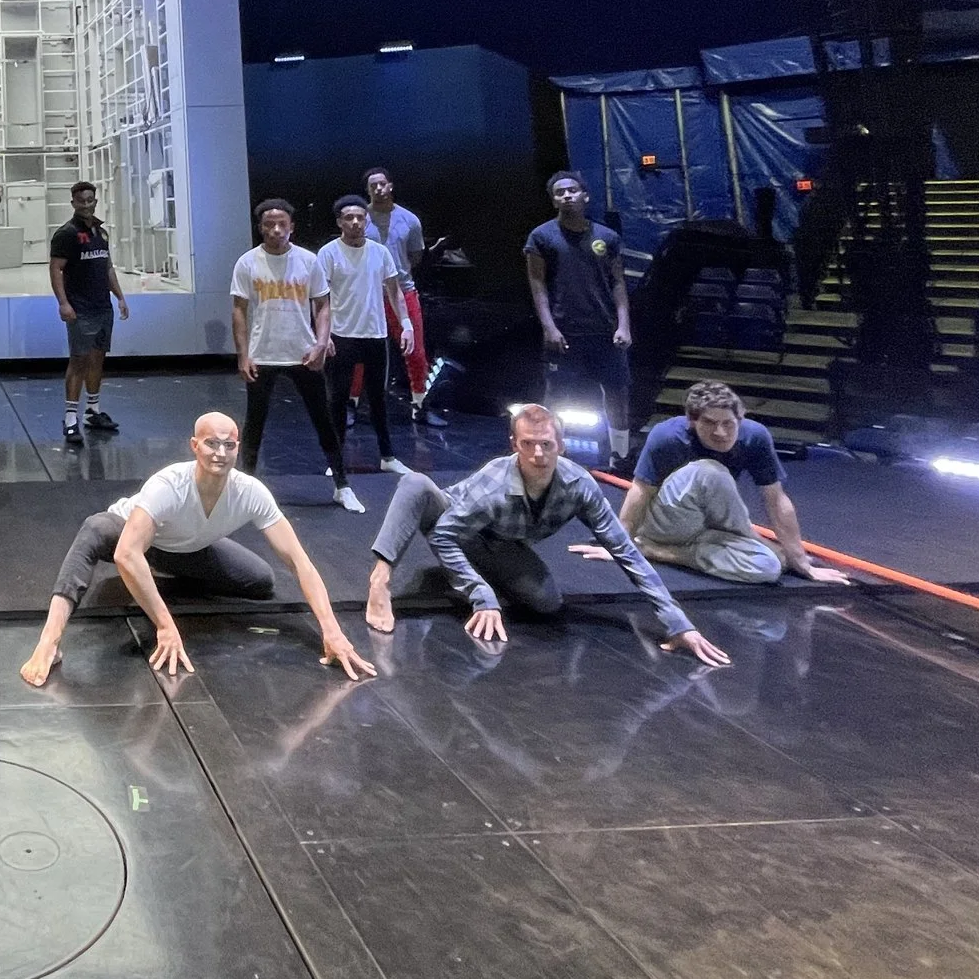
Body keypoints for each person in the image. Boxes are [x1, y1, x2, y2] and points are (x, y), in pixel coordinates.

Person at [18, 412, 372, 688]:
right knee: (95, 528)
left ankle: (148, 579)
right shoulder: (169, 485)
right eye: (211, 444)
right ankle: (50, 642)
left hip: (187, 548)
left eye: (229, 445)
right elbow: (126, 552)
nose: (220, 453)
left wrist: (333, 632)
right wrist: (165, 626)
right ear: (194, 446)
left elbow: (299, 562)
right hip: (132, 537)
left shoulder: (250, 491)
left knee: (260, 580)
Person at [362, 404, 730, 665]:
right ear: (514, 445)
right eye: (527, 444)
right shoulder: (494, 486)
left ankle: (465, 575)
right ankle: (381, 579)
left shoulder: (578, 485)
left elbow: (626, 551)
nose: (537, 454)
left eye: (547, 445)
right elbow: (443, 535)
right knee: (414, 483)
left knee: (546, 604)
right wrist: (481, 594)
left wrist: (677, 622)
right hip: (451, 523)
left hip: (497, 542)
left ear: (562, 446)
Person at [578, 380, 849, 588]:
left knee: (770, 566)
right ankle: (649, 543)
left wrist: (800, 561)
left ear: (740, 419)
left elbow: (775, 499)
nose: (720, 433)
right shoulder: (667, 436)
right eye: (709, 423)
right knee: (711, 471)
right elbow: (639, 492)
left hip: (708, 528)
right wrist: (619, 547)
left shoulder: (755, 437)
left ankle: (658, 552)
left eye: (728, 424)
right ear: (692, 421)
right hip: (665, 522)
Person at [231, 200, 356, 510]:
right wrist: (242, 355)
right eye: (269, 224)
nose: (276, 229)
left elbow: (323, 305)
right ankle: (243, 492)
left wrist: (321, 343)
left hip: (303, 353)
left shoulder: (308, 261)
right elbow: (238, 310)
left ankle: (342, 485)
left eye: (281, 224)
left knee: (323, 420)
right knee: (255, 424)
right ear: (260, 227)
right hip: (263, 352)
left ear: (291, 227)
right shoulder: (247, 262)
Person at [526, 171, 637, 467]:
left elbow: (618, 283)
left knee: (617, 392)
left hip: (605, 330)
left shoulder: (607, 237)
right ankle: (551, 451)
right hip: (564, 332)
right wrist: (549, 327)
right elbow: (537, 285)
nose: (567, 196)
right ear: (553, 201)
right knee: (556, 394)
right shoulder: (541, 237)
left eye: (572, 190)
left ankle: (620, 455)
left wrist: (624, 325)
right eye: (560, 193)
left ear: (585, 196)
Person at [317, 196, 413, 481]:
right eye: (349, 217)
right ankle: (335, 459)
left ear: (366, 220)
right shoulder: (328, 253)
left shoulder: (380, 252)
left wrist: (406, 324)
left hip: (375, 334)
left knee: (378, 399)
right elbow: (320, 299)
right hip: (342, 335)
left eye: (360, 217)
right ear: (339, 222)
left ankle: (388, 456)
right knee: (337, 401)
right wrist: (324, 335)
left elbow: (394, 291)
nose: (356, 222)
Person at [49, 180, 129, 446]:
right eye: (81, 201)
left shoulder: (100, 232)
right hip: (80, 309)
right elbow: (56, 269)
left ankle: (92, 412)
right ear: (73, 203)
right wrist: (63, 303)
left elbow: (107, 266)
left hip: (102, 306)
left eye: (90, 200)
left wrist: (119, 296)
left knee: (97, 359)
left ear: (95, 200)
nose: (86, 204)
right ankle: (71, 417)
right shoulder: (66, 234)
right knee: (79, 361)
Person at [366, 167, 440, 425]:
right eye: (372, 185)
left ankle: (419, 404)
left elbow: (415, 256)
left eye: (381, 184)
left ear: (390, 186)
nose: (377, 189)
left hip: (403, 291)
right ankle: (351, 405)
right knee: (359, 353)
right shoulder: (359, 219)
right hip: (368, 296)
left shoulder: (409, 220)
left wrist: (398, 278)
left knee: (415, 351)